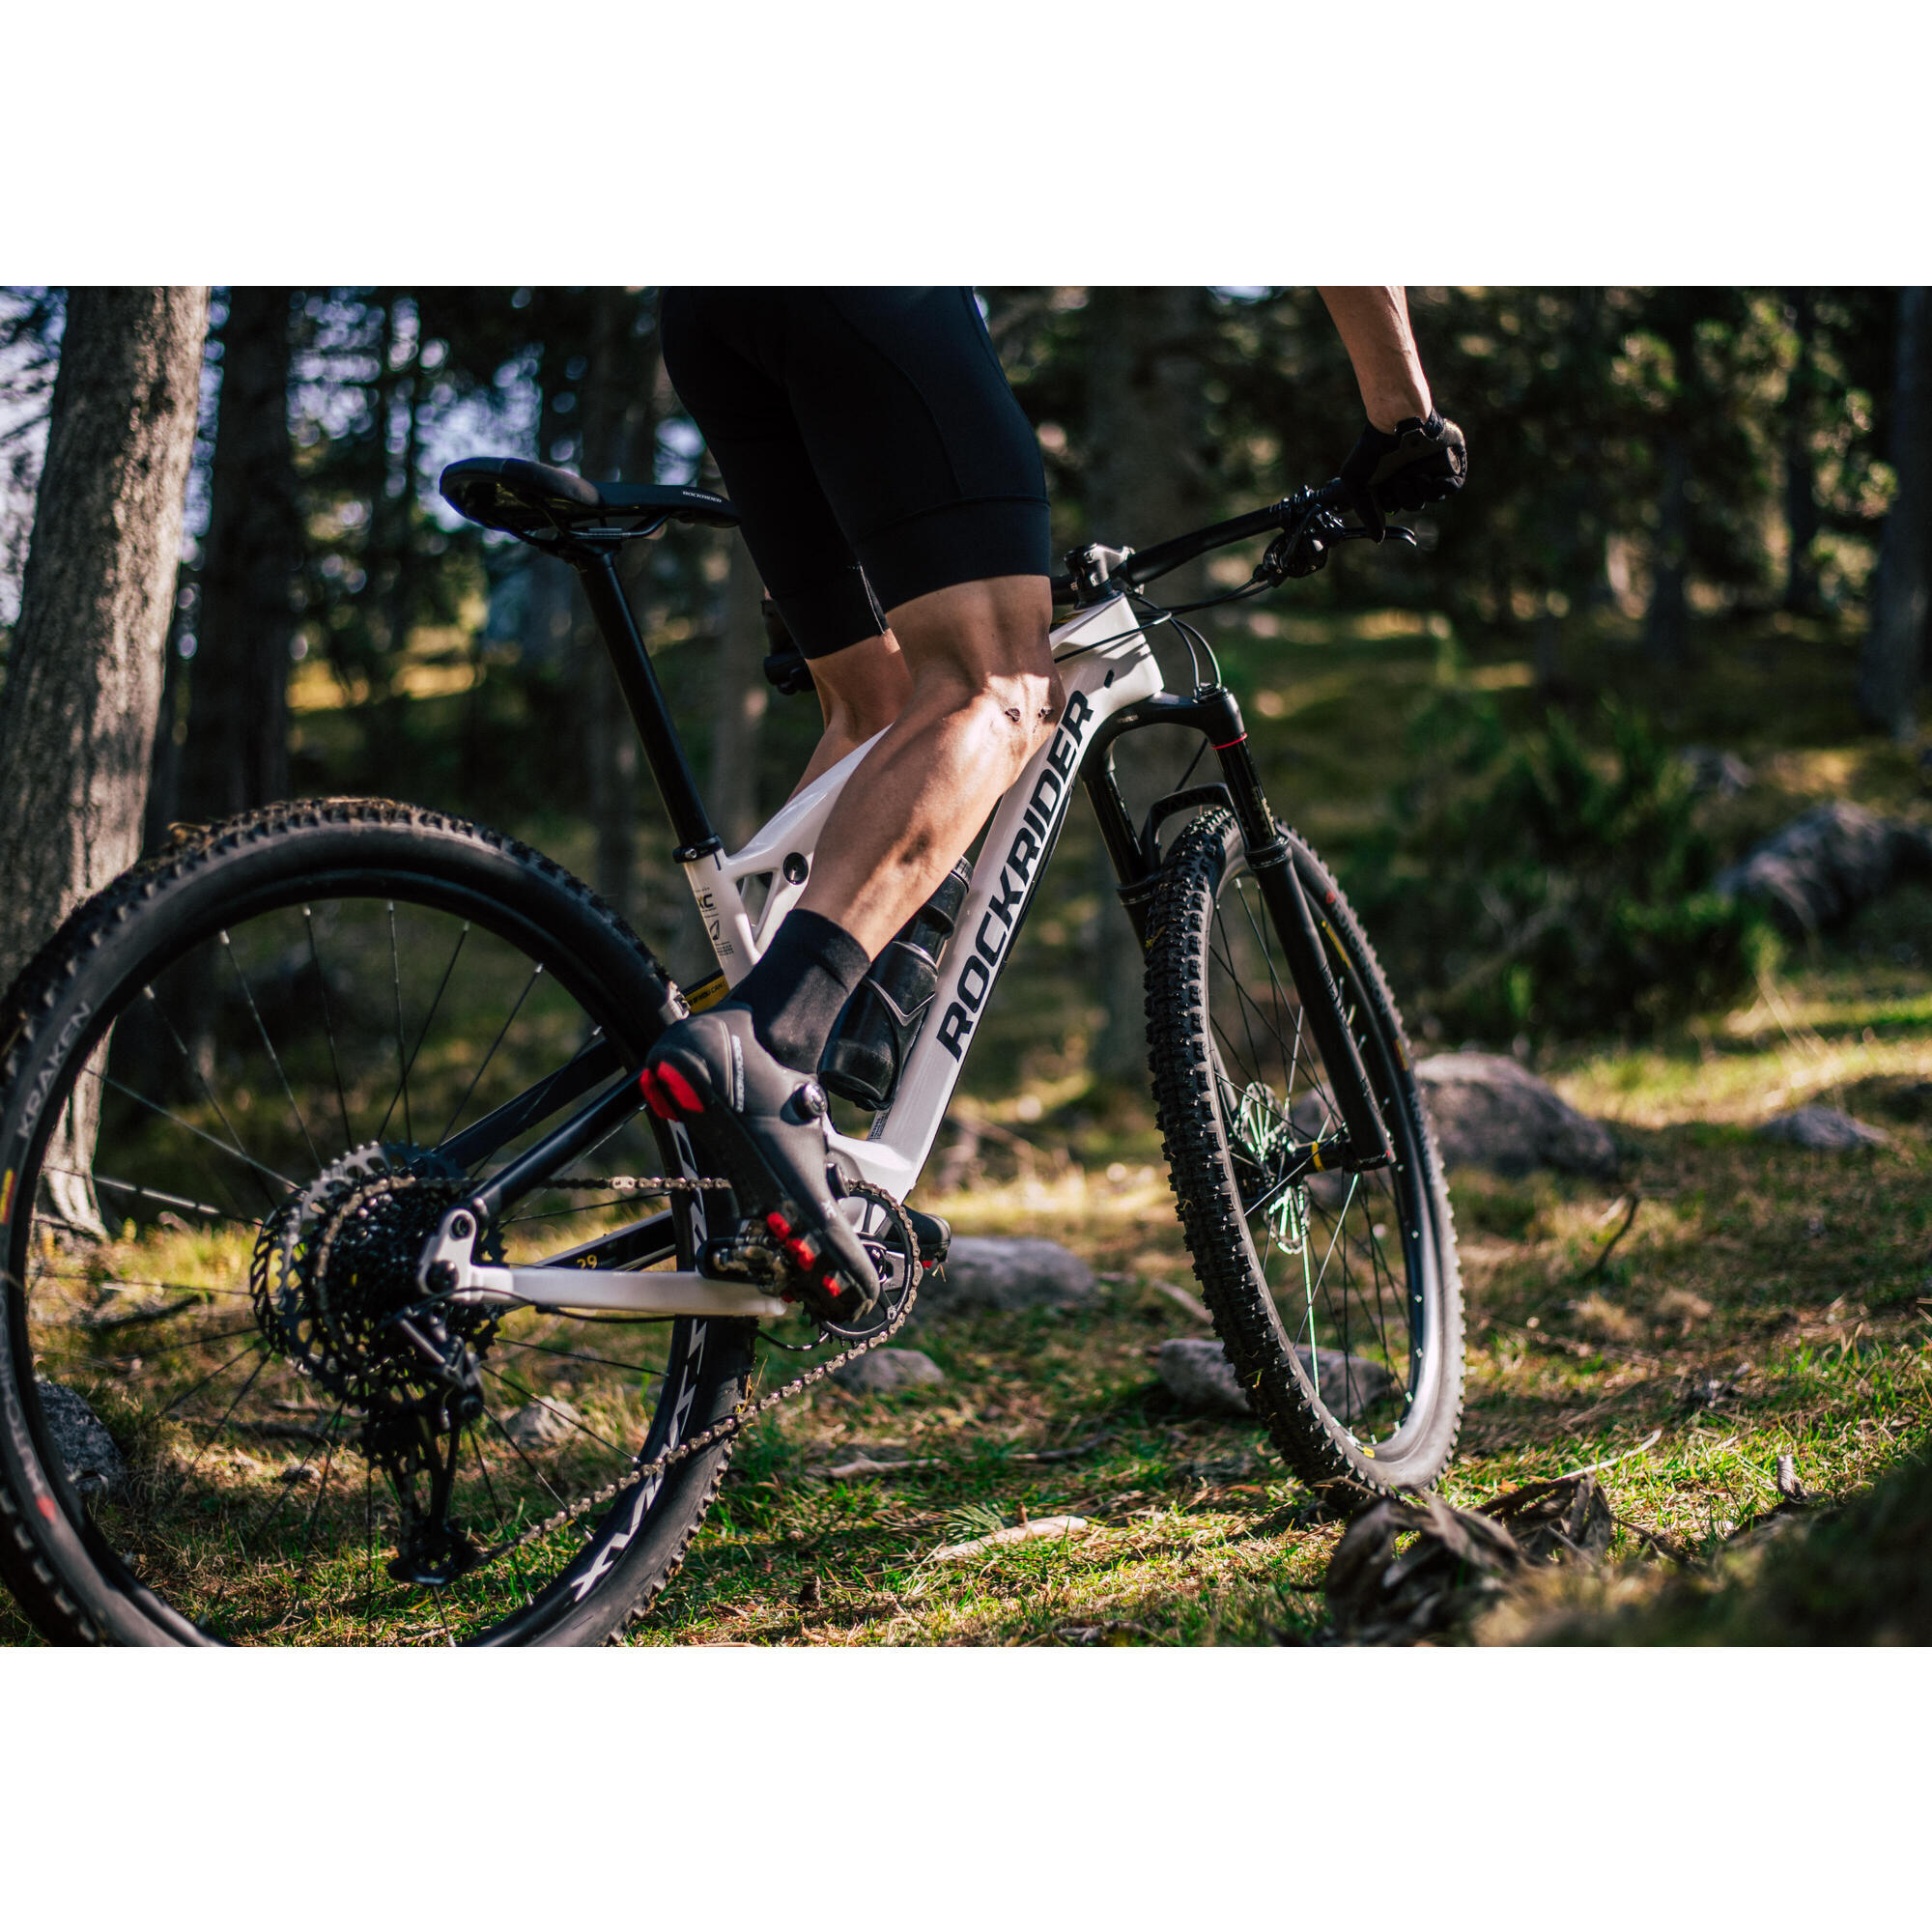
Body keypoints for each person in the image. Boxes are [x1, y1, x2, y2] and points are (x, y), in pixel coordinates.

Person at [639, 287, 1465, 1318]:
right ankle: (769, 1041)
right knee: (999, 687)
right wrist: (1402, 421)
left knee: (881, 710)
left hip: (713, 313)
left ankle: (769, 1131)